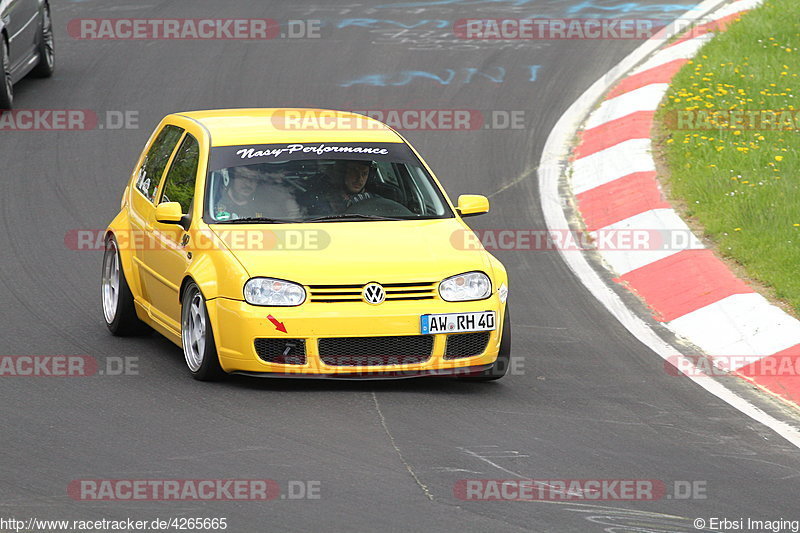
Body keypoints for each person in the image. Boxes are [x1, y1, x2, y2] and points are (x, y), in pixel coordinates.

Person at [214, 165, 301, 220]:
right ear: (230, 178)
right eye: (243, 177)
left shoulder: (268, 203)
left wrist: (290, 203)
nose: (248, 183)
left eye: (253, 178)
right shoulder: (214, 203)